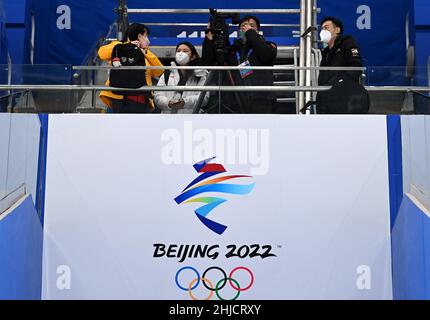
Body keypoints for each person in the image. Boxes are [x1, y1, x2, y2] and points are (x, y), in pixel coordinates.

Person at [202, 15, 277, 114]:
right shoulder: (234, 50)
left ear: (257, 31)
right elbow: (209, 63)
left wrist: (250, 33)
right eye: (243, 26)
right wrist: (209, 40)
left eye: (251, 26)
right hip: (235, 101)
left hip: (260, 100)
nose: (246, 27)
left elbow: (266, 55)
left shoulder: (268, 45)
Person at [98, 23, 164, 113]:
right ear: (138, 35)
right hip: (119, 98)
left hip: (141, 98)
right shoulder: (119, 46)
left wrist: (144, 52)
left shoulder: (145, 54)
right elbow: (102, 53)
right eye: (145, 36)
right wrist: (127, 46)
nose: (147, 39)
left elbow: (159, 71)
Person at [316, 17, 367, 114]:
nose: (323, 31)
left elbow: (356, 67)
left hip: (343, 99)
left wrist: (338, 84)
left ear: (337, 30)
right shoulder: (325, 53)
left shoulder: (347, 43)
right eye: (322, 29)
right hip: (326, 100)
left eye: (326, 28)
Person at [154, 42, 209, 114]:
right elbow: (158, 95)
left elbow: (204, 98)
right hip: (169, 119)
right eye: (178, 51)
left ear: (193, 57)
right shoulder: (167, 73)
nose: (181, 53)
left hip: (191, 118)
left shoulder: (200, 75)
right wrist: (168, 103)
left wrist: (184, 102)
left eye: (185, 51)